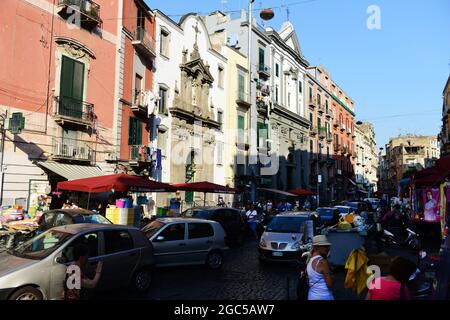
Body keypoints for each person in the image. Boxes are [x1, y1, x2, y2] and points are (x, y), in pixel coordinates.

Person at [306, 235, 334, 300]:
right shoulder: (323, 262)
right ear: (316, 247)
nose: (328, 248)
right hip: (324, 296)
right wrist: (332, 275)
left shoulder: (310, 259)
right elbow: (330, 284)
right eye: (325, 246)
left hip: (312, 295)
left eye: (328, 246)